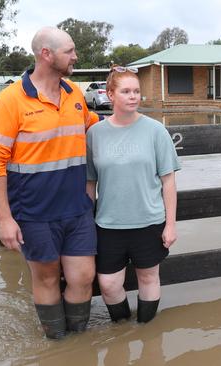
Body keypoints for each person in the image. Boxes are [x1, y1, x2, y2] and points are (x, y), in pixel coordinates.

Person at [0, 26, 101, 339]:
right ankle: (56, 341)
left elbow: (95, 126)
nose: (76, 56)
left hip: (77, 209)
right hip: (34, 214)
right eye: (70, 51)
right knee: (47, 279)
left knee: (83, 276)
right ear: (46, 55)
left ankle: (77, 344)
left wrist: (134, 126)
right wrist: (5, 219)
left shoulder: (74, 93)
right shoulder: (9, 102)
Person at [86, 65, 180, 324]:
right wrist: (85, 222)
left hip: (148, 221)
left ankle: (146, 331)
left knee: (148, 278)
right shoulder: (95, 134)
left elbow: (168, 181)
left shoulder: (156, 131)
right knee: (108, 283)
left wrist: (170, 225)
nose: (133, 96)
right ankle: (123, 327)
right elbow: (90, 182)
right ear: (110, 94)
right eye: (126, 91)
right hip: (108, 224)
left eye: (137, 91)